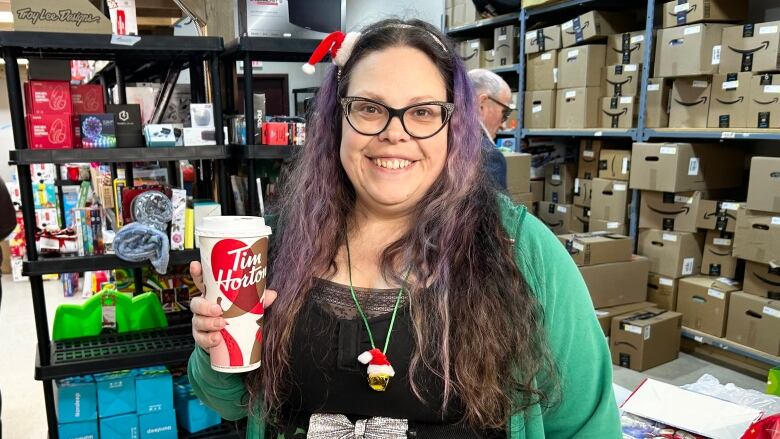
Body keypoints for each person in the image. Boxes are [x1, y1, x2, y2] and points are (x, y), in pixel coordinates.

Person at [188, 19, 621, 438]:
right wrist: (215, 348)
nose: (395, 133)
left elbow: (586, 425)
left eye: (422, 112)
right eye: (370, 108)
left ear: (453, 126)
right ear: (338, 119)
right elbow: (229, 403)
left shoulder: (520, 249)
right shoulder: (273, 245)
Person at [468, 69, 510, 190]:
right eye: (505, 112)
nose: (504, 126)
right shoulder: (488, 157)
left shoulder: (440, 139)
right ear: (481, 105)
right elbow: (494, 209)